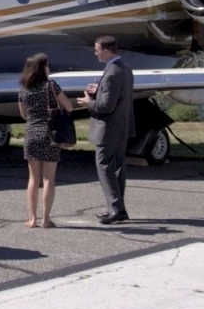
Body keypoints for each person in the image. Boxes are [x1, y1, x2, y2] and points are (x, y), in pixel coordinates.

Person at [77, 35, 135, 224]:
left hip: (109, 128)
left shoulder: (111, 73)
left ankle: (116, 209)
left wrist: (88, 102)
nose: (95, 53)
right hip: (122, 126)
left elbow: (105, 107)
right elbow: (116, 96)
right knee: (117, 168)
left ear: (107, 51)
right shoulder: (124, 69)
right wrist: (99, 89)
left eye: (97, 50)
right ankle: (118, 208)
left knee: (104, 167)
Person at [18, 53, 77, 229]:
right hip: (50, 134)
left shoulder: (23, 89)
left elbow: (23, 114)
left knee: (33, 179)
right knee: (48, 179)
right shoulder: (51, 86)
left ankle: (32, 218)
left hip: (31, 134)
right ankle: (46, 219)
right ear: (42, 68)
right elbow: (69, 106)